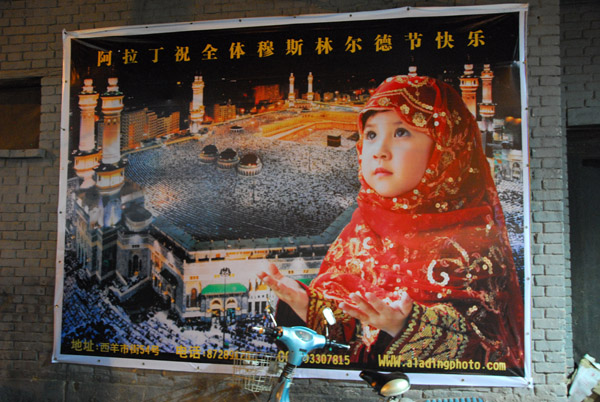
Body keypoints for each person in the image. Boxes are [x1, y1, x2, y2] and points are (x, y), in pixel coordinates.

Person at [259, 75, 524, 369]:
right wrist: (306, 305)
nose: (379, 150)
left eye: (401, 133)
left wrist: (406, 326)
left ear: (444, 146)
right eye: (371, 135)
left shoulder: (473, 242)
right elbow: (344, 328)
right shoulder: (359, 229)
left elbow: (494, 351)